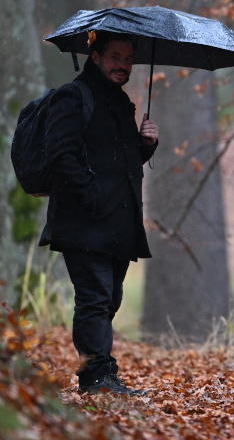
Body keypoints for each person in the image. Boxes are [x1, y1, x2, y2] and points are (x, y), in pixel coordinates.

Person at [39, 31, 159, 395]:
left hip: (117, 225)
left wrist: (145, 145)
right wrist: (92, 196)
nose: (123, 65)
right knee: (93, 298)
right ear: (95, 57)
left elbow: (119, 162)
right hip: (83, 222)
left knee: (110, 299)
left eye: (128, 59)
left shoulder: (120, 103)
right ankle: (97, 378)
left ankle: (102, 372)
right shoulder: (73, 97)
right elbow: (61, 155)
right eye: (115, 57)